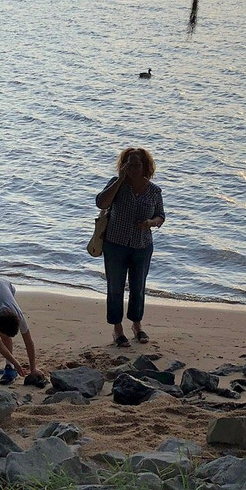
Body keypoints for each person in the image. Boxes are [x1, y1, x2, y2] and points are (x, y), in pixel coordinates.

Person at [95, 147, 165, 347]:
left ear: (145, 167)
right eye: (128, 164)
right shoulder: (116, 184)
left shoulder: (154, 190)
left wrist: (150, 223)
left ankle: (137, 325)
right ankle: (117, 329)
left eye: (136, 164)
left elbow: (161, 216)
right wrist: (119, 179)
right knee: (115, 288)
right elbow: (101, 203)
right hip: (115, 243)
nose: (132, 169)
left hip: (142, 246)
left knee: (138, 288)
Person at [0, 277, 43, 385]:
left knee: (6, 336)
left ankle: (9, 366)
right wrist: (16, 363)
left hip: (7, 286)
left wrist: (33, 368)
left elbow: (29, 341)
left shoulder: (19, 315)